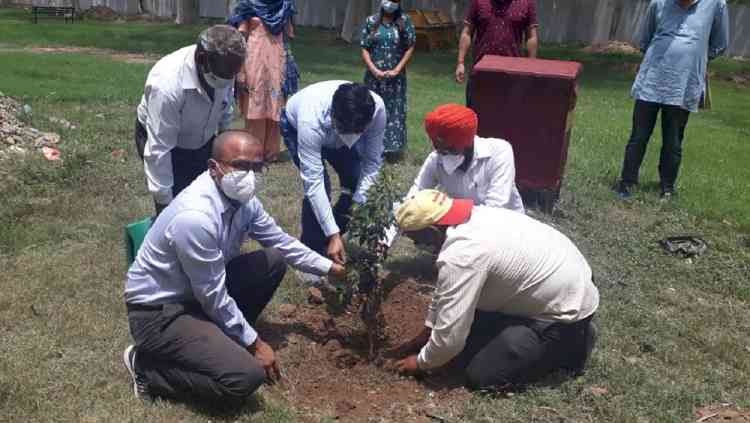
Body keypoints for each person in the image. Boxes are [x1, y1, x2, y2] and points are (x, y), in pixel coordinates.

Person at [123, 130, 346, 403]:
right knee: (245, 377)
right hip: (161, 314)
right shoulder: (196, 217)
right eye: (240, 165)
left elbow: (281, 242)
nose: (249, 175)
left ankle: (225, 338)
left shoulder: (244, 202)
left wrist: (331, 269)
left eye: (256, 167)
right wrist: (256, 344)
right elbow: (213, 296)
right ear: (213, 167)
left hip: (195, 294)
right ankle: (147, 369)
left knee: (273, 261)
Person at [393, 190, 599, 391]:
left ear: (433, 231)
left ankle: (571, 346)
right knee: (468, 332)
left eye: (419, 241)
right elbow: (446, 292)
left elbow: (449, 340)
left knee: (482, 374)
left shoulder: (463, 254)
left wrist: (421, 363)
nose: (420, 246)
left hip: (565, 311)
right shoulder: (476, 215)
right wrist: (428, 330)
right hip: (569, 281)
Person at [614, 0, 730, 200]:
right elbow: (644, 39)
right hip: (651, 81)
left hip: (683, 86)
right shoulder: (658, 3)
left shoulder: (716, 4)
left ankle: (667, 188)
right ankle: (627, 182)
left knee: (674, 140)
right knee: (638, 136)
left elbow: (719, 45)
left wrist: (695, 57)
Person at [135, 25, 246, 215]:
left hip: (203, 138)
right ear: (201, 59)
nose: (227, 81)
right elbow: (159, 151)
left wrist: (224, 149)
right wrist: (164, 206)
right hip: (168, 144)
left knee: (206, 202)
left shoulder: (224, 66)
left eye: (232, 76)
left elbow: (225, 108)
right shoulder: (167, 85)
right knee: (178, 208)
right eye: (223, 76)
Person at [280, 81, 386, 276]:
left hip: (337, 125)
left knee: (355, 183)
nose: (350, 138)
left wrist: (358, 204)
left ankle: (332, 240)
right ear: (333, 116)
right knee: (323, 189)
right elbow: (314, 183)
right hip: (296, 127)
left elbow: (372, 162)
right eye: (345, 130)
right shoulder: (311, 118)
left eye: (358, 132)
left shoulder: (376, 109)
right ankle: (311, 254)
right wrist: (333, 233)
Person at [383, 104, 524, 247]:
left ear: (466, 142)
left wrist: (448, 216)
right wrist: (384, 240)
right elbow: (412, 197)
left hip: (503, 229)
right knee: (418, 215)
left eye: (450, 149)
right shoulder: (436, 160)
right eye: (439, 149)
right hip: (461, 224)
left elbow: (495, 209)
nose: (444, 154)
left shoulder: (499, 152)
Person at [228, 0, 300, 163]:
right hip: (254, 60)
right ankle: (254, 150)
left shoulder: (283, 6)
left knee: (275, 105)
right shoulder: (248, 5)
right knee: (256, 105)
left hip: (277, 61)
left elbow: (289, 34)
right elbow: (240, 38)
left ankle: (270, 152)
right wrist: (240, 70)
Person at [456, 0, 539, 107]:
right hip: (481, 73)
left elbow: (531, 37)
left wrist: (531, 66)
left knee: (508, 118)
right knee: (475, 117)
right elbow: (467, 33)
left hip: (512, 75)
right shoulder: (479, 2)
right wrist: (460, 63)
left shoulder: (526, 3)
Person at [360, 0, 416, 158]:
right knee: (372, 109)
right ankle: (371, 147)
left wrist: (398, 69)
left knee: (393, 111)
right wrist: (373, 69)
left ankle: (391, 150)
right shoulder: (371, 22)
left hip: (395, 79)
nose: (390, 3)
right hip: (373, 78)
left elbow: (410, 46)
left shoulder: (404, 22)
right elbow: (364, 47)